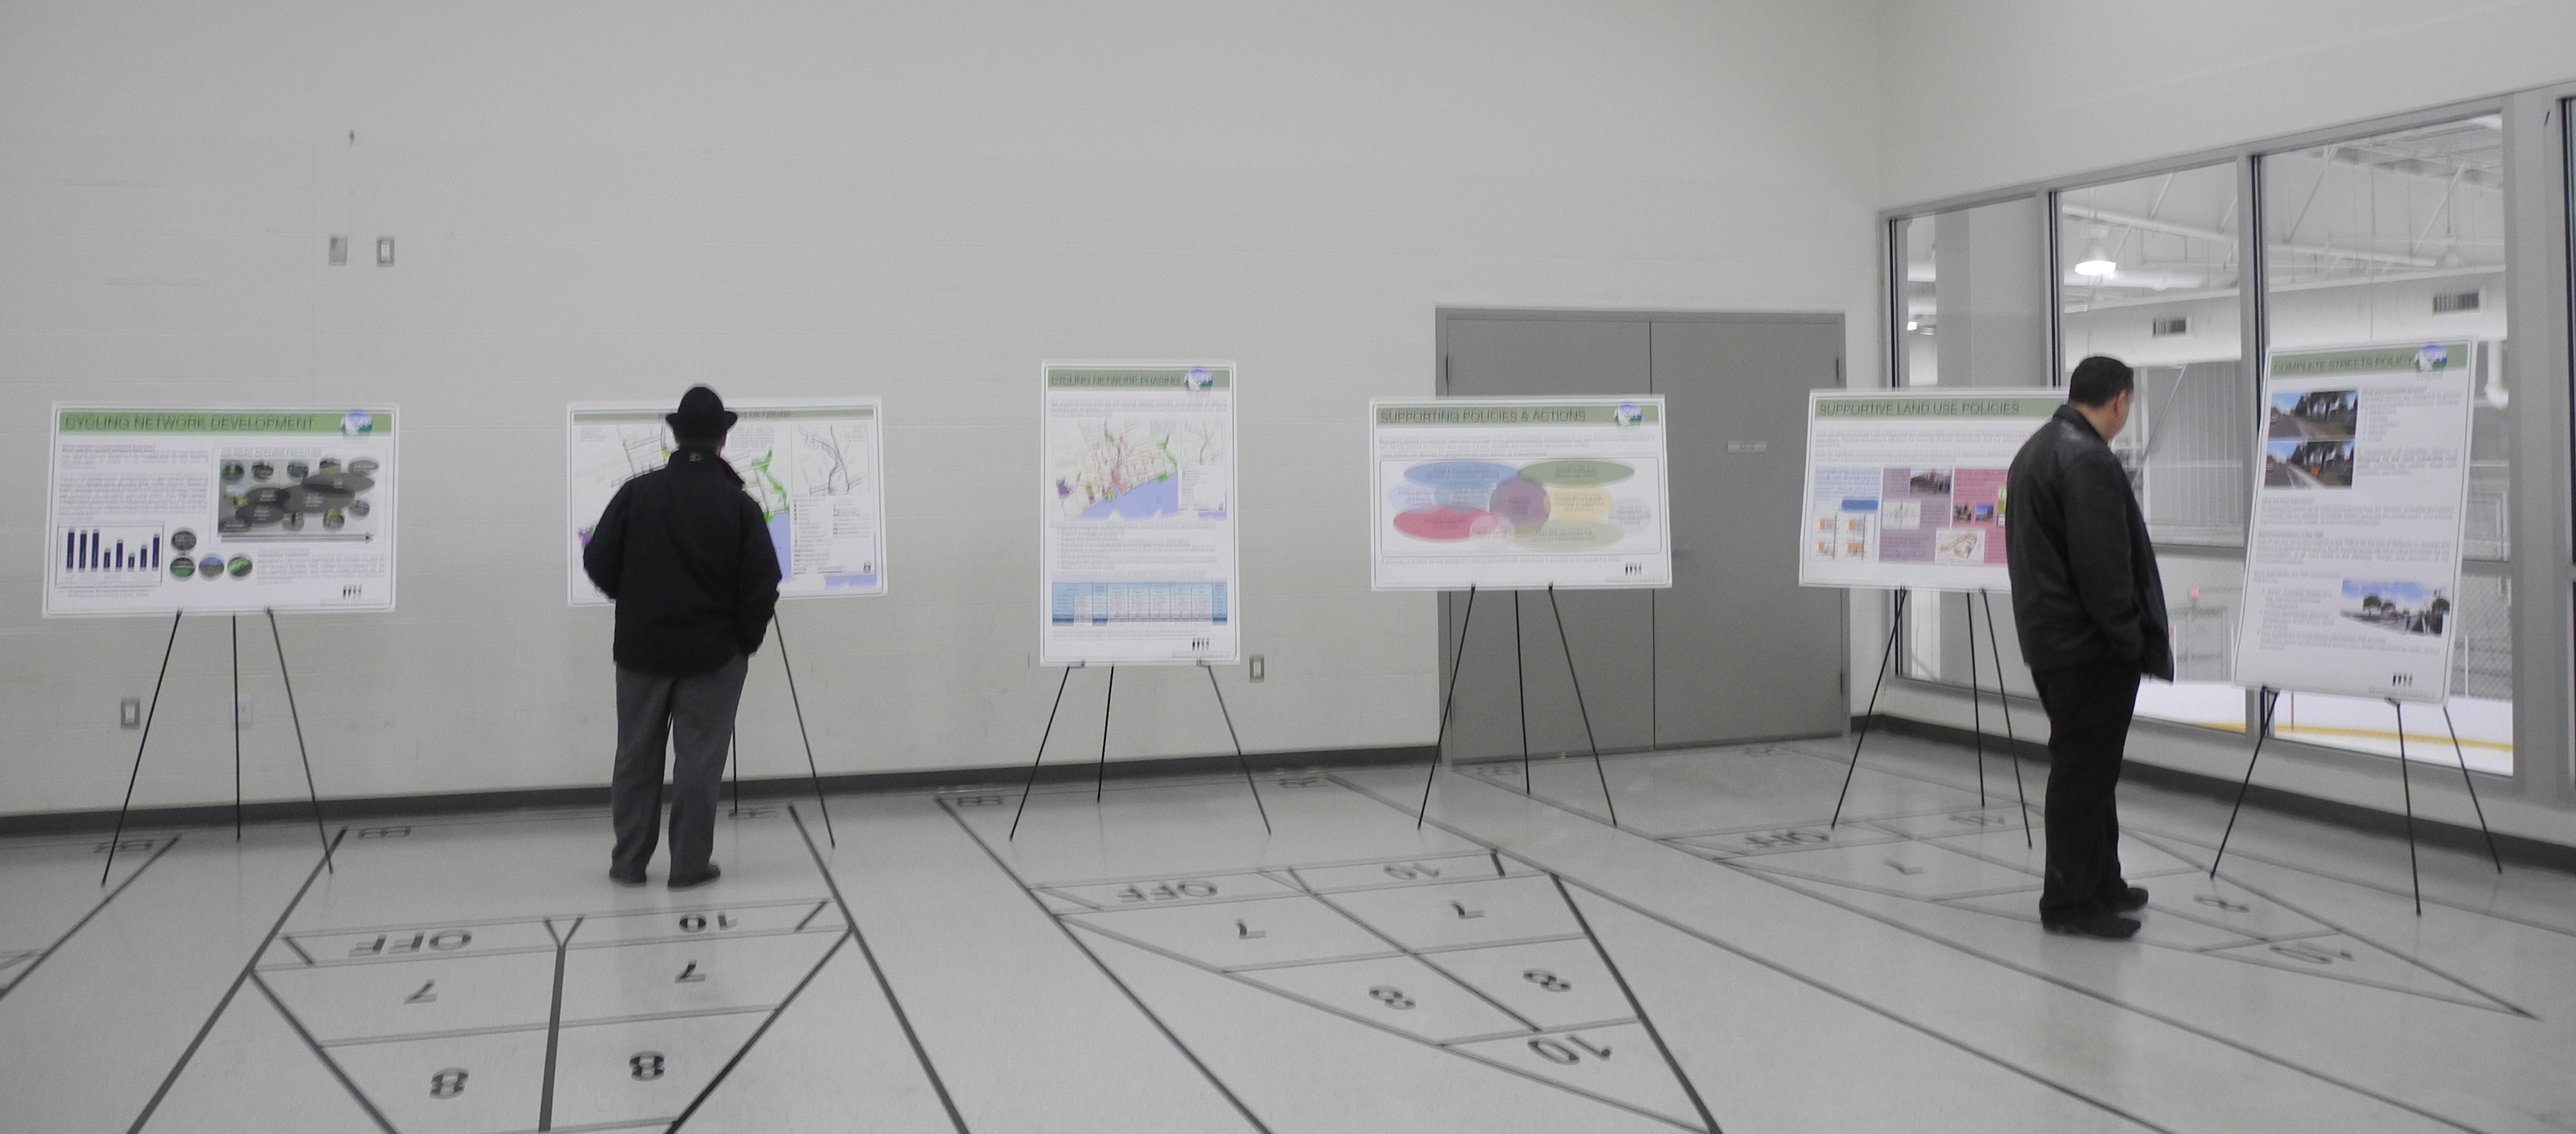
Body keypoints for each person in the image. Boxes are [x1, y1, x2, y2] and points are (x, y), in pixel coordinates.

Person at [582, 386, 781, 889]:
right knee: (699, 762)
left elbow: (597, 560)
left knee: (635, 757)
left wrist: (633, 602)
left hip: (640, 651)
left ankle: (629, 863)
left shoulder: (636, 493)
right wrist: (744, 640)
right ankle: (689, 865)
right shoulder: (738, 504)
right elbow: (763, 582)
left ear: (675, 436)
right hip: (713, 655)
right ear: (722, 438)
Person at [2003, 356, 2174, 940]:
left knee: (2092, 771)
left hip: (2053, 641)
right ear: (2119, 401)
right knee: (2081, 776)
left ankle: (2102, 881)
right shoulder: (2086, 461)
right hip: (2088, 649)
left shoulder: (2036, 450)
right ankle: (2069, 901)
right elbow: (2103, 568)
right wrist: (2128, 640)